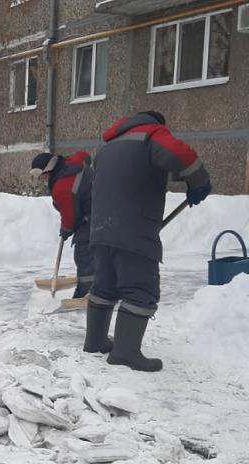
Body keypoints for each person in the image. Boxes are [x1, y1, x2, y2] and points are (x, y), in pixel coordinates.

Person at [84, 111, 211, 372]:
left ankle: (95, 341)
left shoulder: (108, 146)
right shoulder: (152, 134)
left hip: (100, 228)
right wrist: (199, 182)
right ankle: (126, 352)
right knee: (140, 287)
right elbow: (181, 154)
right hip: (134, 228)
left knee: (104, 285)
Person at [30, 151, 94, 299]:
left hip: (93, 214)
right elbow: (84, 155)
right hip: (101, 206)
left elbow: (70, 214)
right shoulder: (70, 163)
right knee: (98, 251)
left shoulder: (62, 185)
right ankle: (105, 285)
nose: (41, 179)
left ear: (49, 169)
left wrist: (66, 229)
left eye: (41, 175)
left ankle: (87, 291)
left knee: (84, 251)